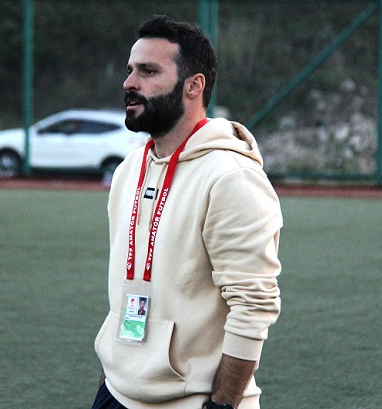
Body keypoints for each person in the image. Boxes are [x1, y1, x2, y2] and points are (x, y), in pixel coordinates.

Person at [92, 15, 283, 409]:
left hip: (191, 402)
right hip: (116, 393)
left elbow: (253, 304)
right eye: (130, 71)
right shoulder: (130, 169)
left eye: (148, 71)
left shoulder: (231, 176)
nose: (130, 83)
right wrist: (116, 373)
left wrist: (223, 404)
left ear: (193, 85)